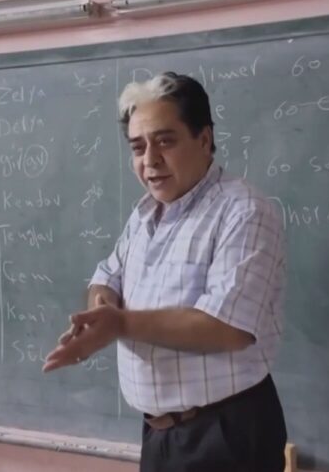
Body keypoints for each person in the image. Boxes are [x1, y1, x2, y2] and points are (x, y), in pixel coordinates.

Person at [44, 71, 287, 472]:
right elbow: (107, 275)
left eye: (165, 141)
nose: (150, 160)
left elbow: (227, 327)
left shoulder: (243, 211)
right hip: (160, 436)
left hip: (225, 434)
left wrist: (119, 324)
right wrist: (101, 311)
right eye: (138, 147)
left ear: (204, 140)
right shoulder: (146, 214)